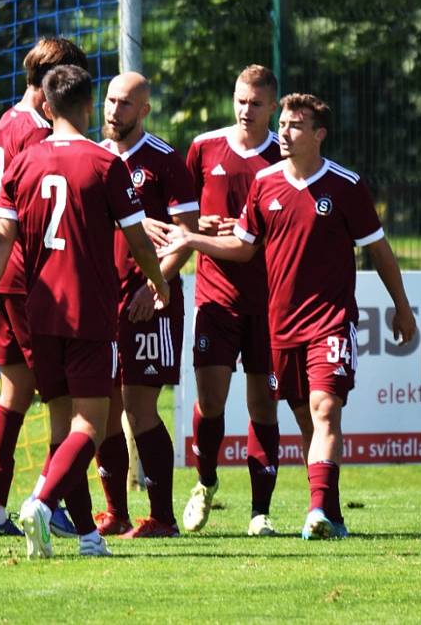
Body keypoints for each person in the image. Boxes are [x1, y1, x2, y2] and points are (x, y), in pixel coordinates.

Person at [158, 92, 416, 539]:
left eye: (296, 125)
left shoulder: (346, 186)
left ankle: (315, 511)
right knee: (305, 419)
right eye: (283, 123)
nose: (284, 131)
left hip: (331, 321)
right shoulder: (266, 185)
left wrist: (403, 306)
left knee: (325, 408)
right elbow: (243, 247)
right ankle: (331, 514)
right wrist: (192, 241)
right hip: (282, 327)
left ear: (319, 135)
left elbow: (379, 248)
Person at [0, 64, 170, 558]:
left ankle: (90, 538)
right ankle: (41, 500)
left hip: (39, 314)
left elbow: (0, 241)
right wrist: (159, 283)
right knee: (90, 426)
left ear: (48, 107)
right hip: (90, 314)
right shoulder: (103, 163)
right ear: (91, 105)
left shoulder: (23, 163)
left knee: (60, 428)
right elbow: (138, 239)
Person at [0, 38, 88, 538]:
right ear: (48, 89)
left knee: (14, 393)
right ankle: (49, 500)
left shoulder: (4, 124)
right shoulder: (40, 134)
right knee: (63, 399)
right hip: (38, 283)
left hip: (7, 279)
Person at [175, 65, 284, 537]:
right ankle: (205, 482)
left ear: (273, 107)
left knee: (263, 406)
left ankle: (260, 513)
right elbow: (181, 216)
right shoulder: (204, 147)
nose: (246, 110)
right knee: (211, 401)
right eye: (241, 100)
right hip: (216, 296)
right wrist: (201, 229)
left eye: (256, 103)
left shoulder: (286, 155)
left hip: (270, 302)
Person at [93, 72, 198, 538]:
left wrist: (153, 285)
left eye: (125, 104)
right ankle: (114, 511)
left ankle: (162, 517)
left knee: (140, 408)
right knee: (105, 405)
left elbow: (184, 237)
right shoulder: (93, 157)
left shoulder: (165, 161)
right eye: (110, 101)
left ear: (144, 110)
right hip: (101, 302)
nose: (115, 111)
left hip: (148, 304)